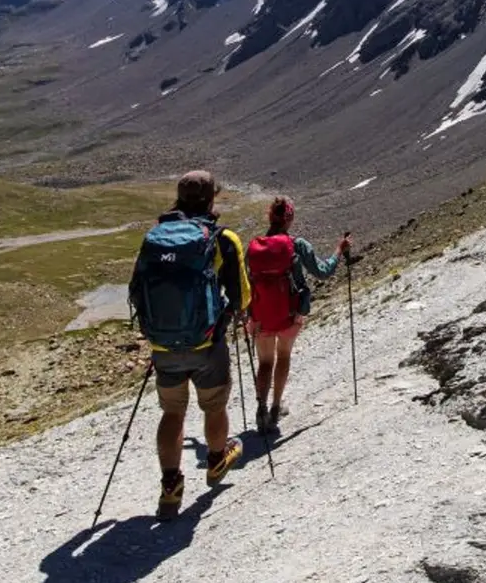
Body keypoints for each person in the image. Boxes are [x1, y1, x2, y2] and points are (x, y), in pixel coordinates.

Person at [129, 170, 251, 521]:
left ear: (179, 198)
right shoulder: (223, 239)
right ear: (212, 198)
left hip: (164, 347)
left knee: (172, 412)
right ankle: (216, 461)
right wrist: (227, 316)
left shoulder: (155, 239)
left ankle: (170, 486)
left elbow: (137, 289)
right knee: (213, 406)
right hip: (207, 343)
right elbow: (242, 297)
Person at [246, 196, 350, 436]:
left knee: (264, 362)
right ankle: (275, 408)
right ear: (290, 218)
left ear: (269, 217)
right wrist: (339, 249)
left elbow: (246, 282)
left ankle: (260, 408)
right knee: (283, 356)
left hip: (260, 317)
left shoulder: (254, 247)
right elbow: (323, 272)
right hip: (290, 315)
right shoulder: (297, 244)